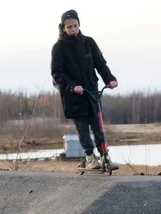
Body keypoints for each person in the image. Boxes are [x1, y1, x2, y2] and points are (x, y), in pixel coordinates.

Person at [50, 9, 118, 171]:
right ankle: (89, 156)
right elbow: (57, 73)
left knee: (98, 125)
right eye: (69, 27)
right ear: (63, 28)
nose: (73, 29)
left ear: (79, 25)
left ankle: (104, 156)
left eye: (75, 26)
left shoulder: (88, 42)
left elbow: (100, 63)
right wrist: (73, 86)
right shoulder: (59, 48)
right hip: (73, 95)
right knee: (83, 128)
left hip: (92, 91)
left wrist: (109, 79)